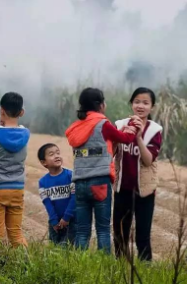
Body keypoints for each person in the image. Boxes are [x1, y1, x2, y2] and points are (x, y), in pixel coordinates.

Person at [65, 87, 140, 254]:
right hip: (100, 182)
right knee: (103, 229)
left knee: (82, 230)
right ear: (100, 105)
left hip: (79, 182)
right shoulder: (103, 125)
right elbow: (125, 139)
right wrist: (134, 125)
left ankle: (79, 265)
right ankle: (104, 266)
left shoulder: (76, 128)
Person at [113, 87, 163, 262]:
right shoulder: (120, 124)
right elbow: (111, 152)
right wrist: (120, 136)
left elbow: (148, 160)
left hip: (144, 191)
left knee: (142, 236)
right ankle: (119, 269)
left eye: (145, 102)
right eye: (137, 102)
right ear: (131, 104)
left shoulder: (154, 130)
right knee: (120, 234)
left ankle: (145, 272)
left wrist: (139, 137)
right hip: (122, 189)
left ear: (152, 107)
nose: (140, 106)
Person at [0, 92, 30, 248]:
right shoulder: (25, 135)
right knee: (15, 233)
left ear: (1, 111)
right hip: (17, 188)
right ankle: (26, 265)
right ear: (22, 112)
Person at [38, 143, 76, 247]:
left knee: (65, 249)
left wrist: (66, 218)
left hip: (71, 221)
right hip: (54, 224)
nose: (57, 156)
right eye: (51, 154)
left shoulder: (71, 176)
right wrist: (54, 221)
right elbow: (47, 203)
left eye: (58, 153)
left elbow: (74, 198)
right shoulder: (42, 182)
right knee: (54, 249)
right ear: (43, 162)